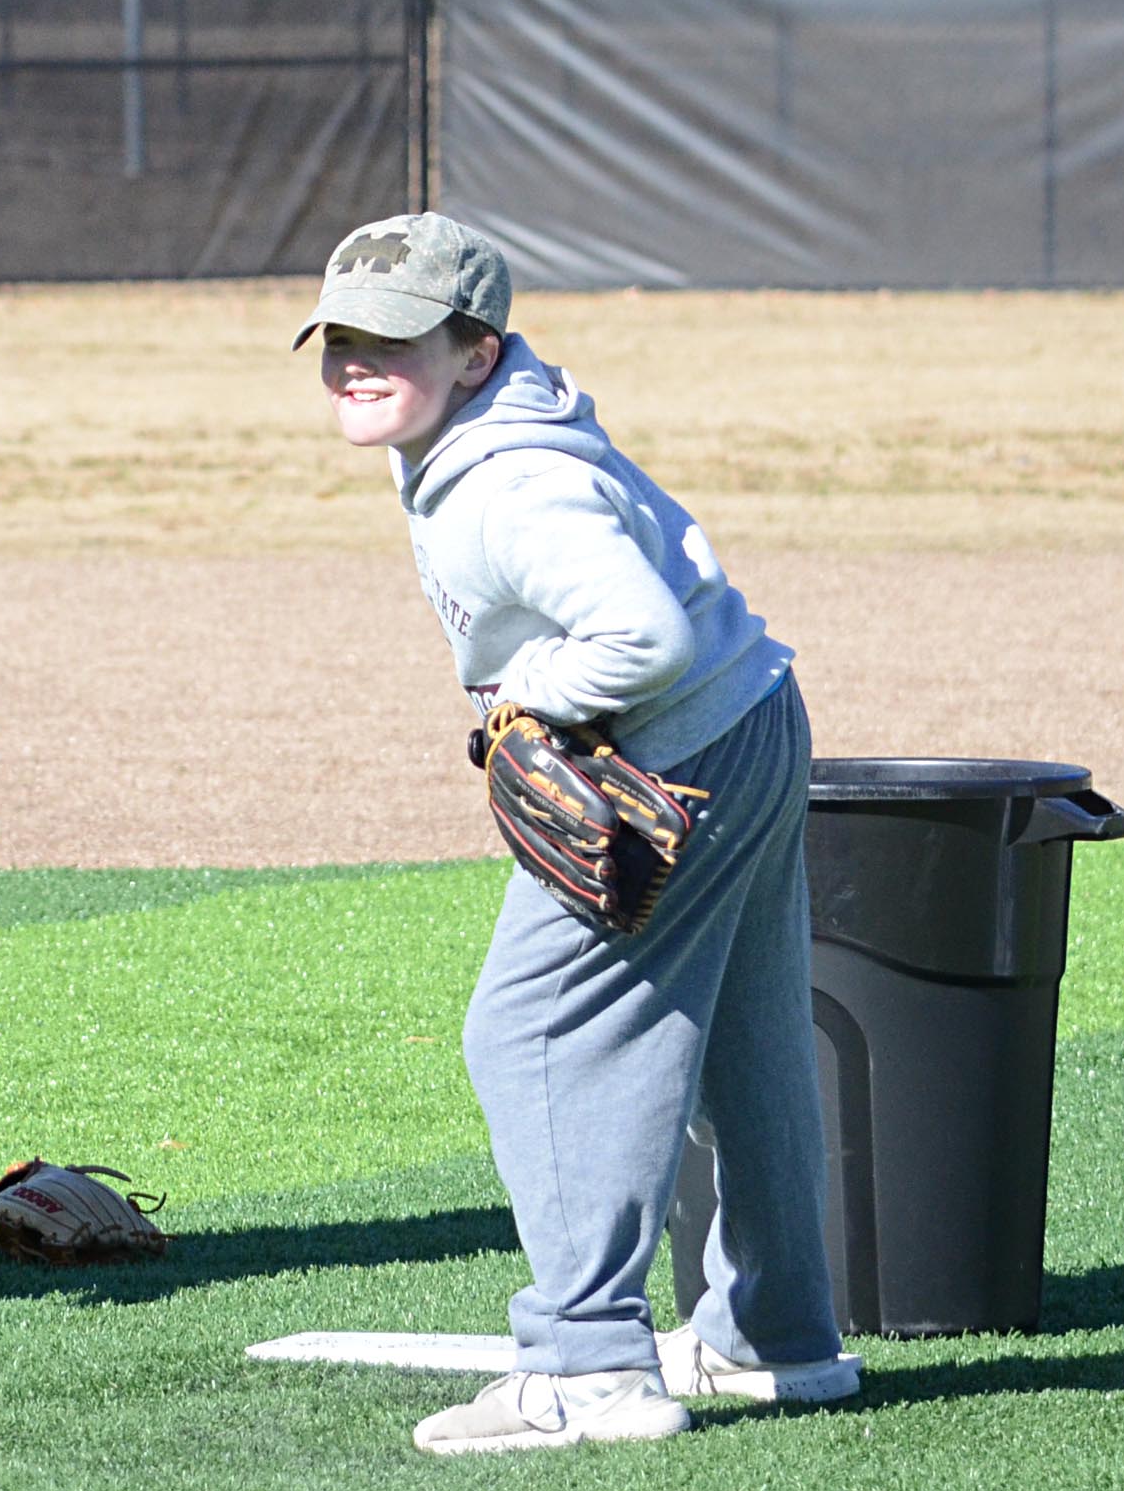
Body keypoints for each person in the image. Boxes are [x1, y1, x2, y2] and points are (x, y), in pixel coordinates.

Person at [297, 213, 855, 1455]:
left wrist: (528, 695)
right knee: (738, 1040)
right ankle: (776, 1335)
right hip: (752, 717)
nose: (353, 362)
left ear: (477, 352)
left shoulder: (509, 481)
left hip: (682, 747)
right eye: (338, 336)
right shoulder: (495, 427)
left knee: (528, 1029)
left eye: (392, 339)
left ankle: (586, 1364)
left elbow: (637, 638)